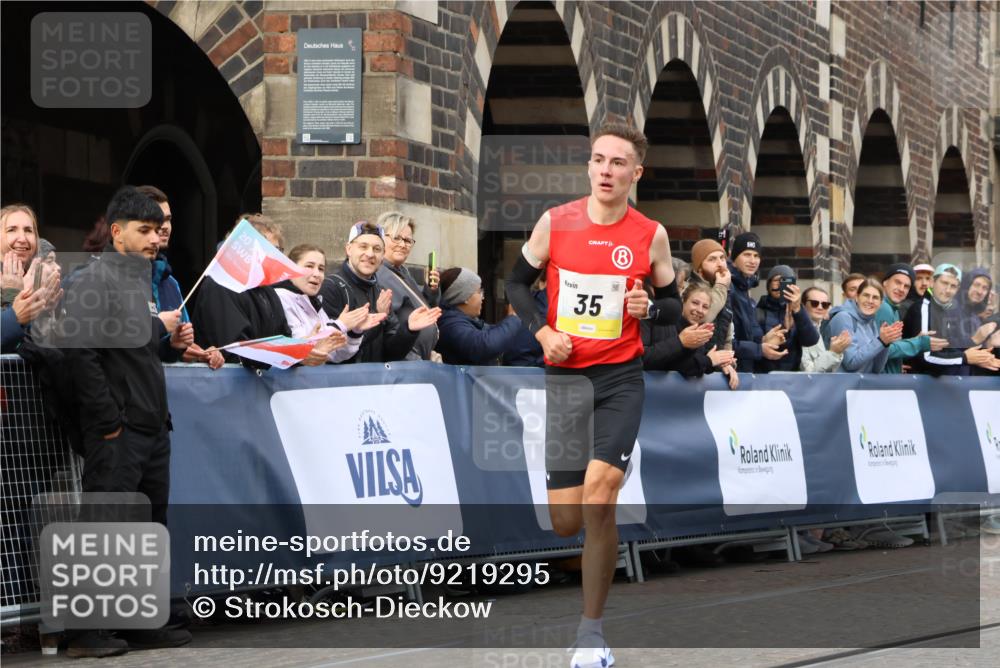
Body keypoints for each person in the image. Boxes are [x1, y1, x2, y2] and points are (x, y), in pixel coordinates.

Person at [504, 123, 677, 668]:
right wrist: (542, 331)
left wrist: (649, 309)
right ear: (589, 167)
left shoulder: (651, 234)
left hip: (621, 378)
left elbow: (674, 304)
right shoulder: (556, 223)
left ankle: (591, 633)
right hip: (566, 380)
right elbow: (513, 286)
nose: (606, 170)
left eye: (618, 163)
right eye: (599, 160)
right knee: (566, 521)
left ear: (636, 173)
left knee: (601, 497)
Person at [58, 186, 192, 656]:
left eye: (158, 230)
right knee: (106, 524)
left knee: (147, 525)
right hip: (119, 431)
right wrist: (108, 422)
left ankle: (136, 620)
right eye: (145, 230)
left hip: (151, 426)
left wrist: (165, 337)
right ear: (117, 233)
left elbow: (131, 351)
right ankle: (84, 630)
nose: (156, 238)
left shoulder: (139, 282)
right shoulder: (95, 281)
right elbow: (82, 356)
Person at [319, 221, 441, 363]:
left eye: (377, 249)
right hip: (346, 383)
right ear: (349, 249)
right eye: (363, 246)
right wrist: (374, 318)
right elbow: (333, 353)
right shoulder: (331, 287)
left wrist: (409, 330)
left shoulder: (379, 291)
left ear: (383, 255)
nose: (370, 254)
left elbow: (392, 353)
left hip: (377, 382)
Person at [136, 185, 223, 370]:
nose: (165, 226)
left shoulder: (170, 283)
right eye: (157, 219)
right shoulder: (114, 278)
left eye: (168, 219)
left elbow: (181, 344)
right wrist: (159, 325)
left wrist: (199, 354)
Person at [189, 214, 291, 367]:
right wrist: (283, 356)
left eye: (278, 250)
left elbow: (284, 336)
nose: (275, 256)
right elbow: (235, 349)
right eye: (269, 249)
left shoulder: (268, 290)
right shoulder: (221, 284)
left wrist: (301, 353)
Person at [274, 244, 387, 365]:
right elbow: (302, 351)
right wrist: (341, 325)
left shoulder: (313, 302)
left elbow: (335, 355)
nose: (316, 274)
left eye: (321, 269)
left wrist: (355, 331)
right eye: (309, 266)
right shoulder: (280, 297)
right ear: (291, 268)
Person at [902, 264, 1000, 375]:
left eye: (953, 286)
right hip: (919, 383)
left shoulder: (944, 310)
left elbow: (946, 348)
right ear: (932, 283)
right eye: (944, 283)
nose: (948, 290)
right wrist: (965, 357)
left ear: (958, 289)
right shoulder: (923, 308)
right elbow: (926, 357)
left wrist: (979, 357)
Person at [641, 283, 738, 389]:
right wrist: (708, 361)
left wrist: (722, 363)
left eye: (705, 307)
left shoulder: (701, 332)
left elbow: (698, 362)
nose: (699, 310)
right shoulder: (663, 323)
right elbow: (676, 364)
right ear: (683, 301)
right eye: (695, 303)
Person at [373, 211, 441, 361]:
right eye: (396, 238)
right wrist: (414, 361)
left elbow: (424, 308)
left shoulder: (402, 271)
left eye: (408, 240)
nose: (402, 245)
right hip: (406, 362)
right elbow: (390, 328)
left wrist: (431, 289)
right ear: (380, 238)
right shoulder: (379, 273)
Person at [1, 204, 62, 353]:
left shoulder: (38, 281)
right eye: (11, 230)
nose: (22, 238)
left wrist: (45, 311)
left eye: (29, 230)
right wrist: (12, 297)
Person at [436, 267, 523, 365]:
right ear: (465, 297)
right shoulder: (450, 325)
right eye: (479, 292)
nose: (483, 297)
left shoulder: (466, 321)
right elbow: (485, 346)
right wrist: (514, 318)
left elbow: (492, 332)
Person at [726, 232, 786, 372]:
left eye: (756, 255)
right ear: (733, 258)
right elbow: (722, 342)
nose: (753, 261)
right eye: (747, 254)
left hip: (745, 374)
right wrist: (760, 349)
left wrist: (764, 339)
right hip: (727, 375)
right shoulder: (728, 288)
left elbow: (746, 337)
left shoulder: (746, 293)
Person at [874, 263, 944, 374]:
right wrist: (919, 343)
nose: (901, 289)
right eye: (897, 282)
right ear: (885, 282)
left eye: (906, 286)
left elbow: (890, 346)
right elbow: (882, 349)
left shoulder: (893, 308)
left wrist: (914, 340)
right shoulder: (884, 307)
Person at [754, 265, 819, 373]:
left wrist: (798, 310)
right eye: (776, 280)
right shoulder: (757, 311)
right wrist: (766, 340)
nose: (780, 284)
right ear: (769, 284)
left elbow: (811, 340)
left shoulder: (797, 311)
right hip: (763, 375)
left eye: (785, 281)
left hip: (792, 377)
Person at [828, 278, 901, 373]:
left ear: (881, 303)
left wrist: (885, 343)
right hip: (841, 385)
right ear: (857, 297)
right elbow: (850, 363)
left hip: (862, 385)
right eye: (866, 295)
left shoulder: (872, 322)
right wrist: (880, 341)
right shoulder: (843, 317)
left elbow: (877, 369)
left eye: (875, 297)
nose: (870, 301)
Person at [799, 287, 850, 373]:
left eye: (825, 304)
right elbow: (809, 373)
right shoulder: (798, 331)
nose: (820, 307)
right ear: (803, 305)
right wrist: (833, 353)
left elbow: (828, 370)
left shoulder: (819, 327)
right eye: (814, 303)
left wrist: (837, 352)